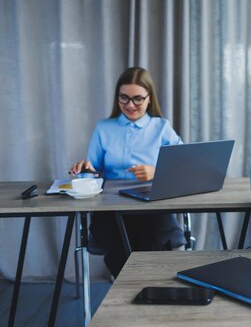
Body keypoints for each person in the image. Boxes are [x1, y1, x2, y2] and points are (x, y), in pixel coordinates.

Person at [70, 67, 185, 277]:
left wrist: (155, 172)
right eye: (124, 98)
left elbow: (184, 166)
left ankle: (145, 290)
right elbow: (91, 173)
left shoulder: (161, 127)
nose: (130, 105)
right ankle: (132, 291)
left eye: (138, 99)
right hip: (111, 208)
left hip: (152, 206)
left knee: (153, 243)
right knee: (118, 247)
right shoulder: (104, 128)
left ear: (150, 98)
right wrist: (86, 171)